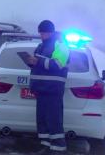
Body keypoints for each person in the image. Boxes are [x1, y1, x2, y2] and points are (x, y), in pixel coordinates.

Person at [27, 20, 70, 155]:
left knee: (53, 120)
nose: (41, 35)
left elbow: (57, 65)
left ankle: (58, 149)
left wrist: (37, 61)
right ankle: (45, 146)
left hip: (53, 89)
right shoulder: (40, 46)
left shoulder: (61, 45)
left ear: (51, 32)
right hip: (41, 89)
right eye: (40, 32)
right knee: (42, 120)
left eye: (44, 32)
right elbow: (39, 66)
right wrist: (31, 62)